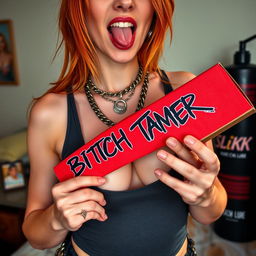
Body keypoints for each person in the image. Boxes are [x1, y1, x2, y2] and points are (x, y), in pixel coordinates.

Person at [22, 1, 227, 255]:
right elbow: (35, 234)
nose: (125, 2)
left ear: (154, 10)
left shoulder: (186, 91)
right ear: (80, 9)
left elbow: (210, 212)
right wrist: (56, 219)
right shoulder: (50, 114)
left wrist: (207, 196)